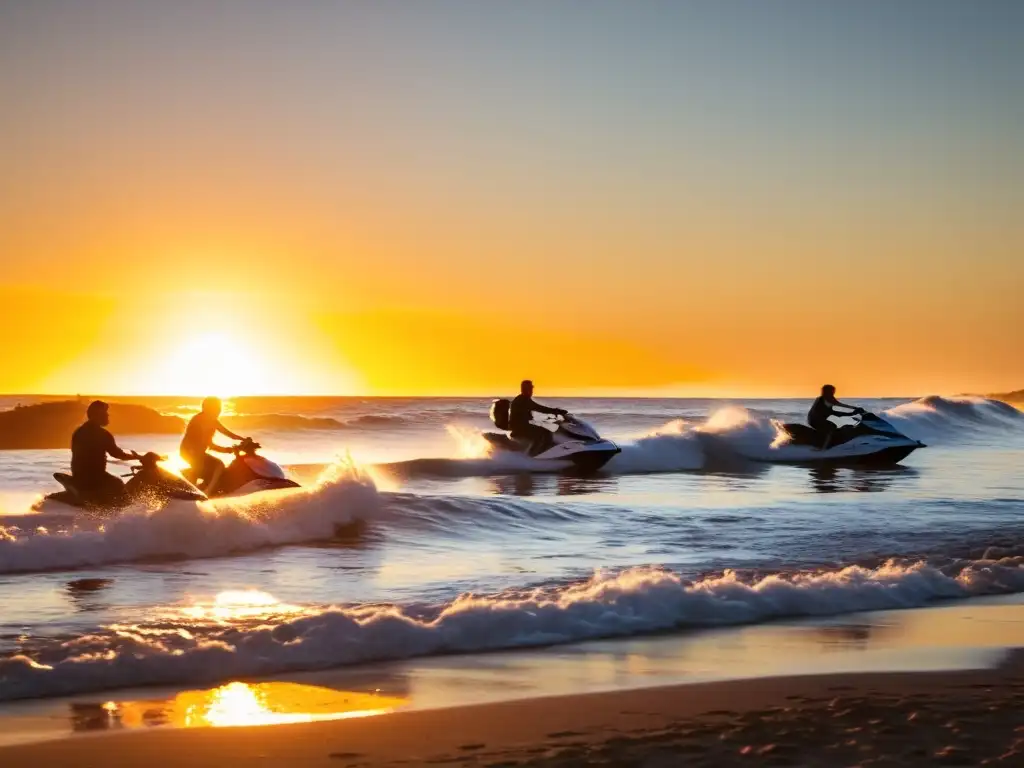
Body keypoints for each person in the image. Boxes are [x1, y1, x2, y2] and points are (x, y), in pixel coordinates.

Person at [70, 400, 140, 504]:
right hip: (94, 477)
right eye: (105, 413)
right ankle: (117, 511)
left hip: (79, 474)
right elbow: (117, 454)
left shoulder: (79, 431)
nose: (108, 415)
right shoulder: (102, 434)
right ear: (97, 415)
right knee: (118, 484)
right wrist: (138, 457)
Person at [179, 396, 245, 494]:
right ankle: (203, 491)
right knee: (215, 465)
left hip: (199, 453)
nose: (218, 411)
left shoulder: (213, 421)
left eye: (219, 409)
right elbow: (208, 445)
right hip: (189, 452)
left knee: (216, 466)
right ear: (206, 408)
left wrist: (244, 440)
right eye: (215, 409)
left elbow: (228, 434)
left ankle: (207, 487)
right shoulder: (197, 421)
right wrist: (227, 450)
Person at [509, 380, 567, 455]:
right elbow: (540, 408)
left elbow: (536, 410)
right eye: (530, 389)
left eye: (531, 388)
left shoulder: (524, 399)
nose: (531, 391)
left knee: (544, 428)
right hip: (520, 428)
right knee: (544, 432)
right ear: (524, 389)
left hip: (522, 426)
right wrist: (557, 411)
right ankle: (535, 454)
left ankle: (547, 450)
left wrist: (552, 416)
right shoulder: (522, 400)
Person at [808, 384, 864, 450]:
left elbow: (841, 405)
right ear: (827, 391)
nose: (834, 392)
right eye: (832, 391)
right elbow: (834, 412)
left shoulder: (829, 399)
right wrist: (852, 412)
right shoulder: (821, 400)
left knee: (836, 427)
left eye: (833, 391)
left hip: (820, 419)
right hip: (814, 420)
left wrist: (855, 409)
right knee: (830, 427)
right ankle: (823, 448)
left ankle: (832, 443)